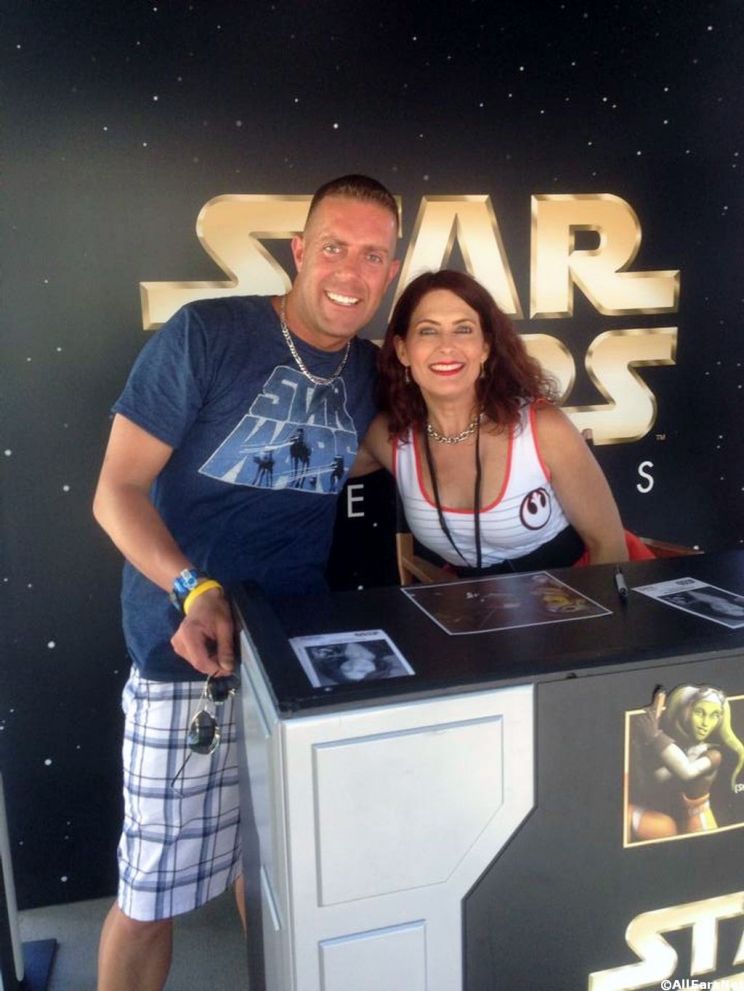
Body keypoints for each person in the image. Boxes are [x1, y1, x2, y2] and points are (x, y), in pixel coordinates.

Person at [92, 174, 400, 991]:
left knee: (275, 876)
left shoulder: (369, 370)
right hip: (184, 657)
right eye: (334, 247)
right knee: (150, 892)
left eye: (372, 255)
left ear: (391, 269)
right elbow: (116, 490)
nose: (351, 271)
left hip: (292, 657)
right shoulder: (209, 334)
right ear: (299, 251)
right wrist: (194, 588)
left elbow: (407, 451)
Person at [352, 269, 628, 574]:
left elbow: (609, 546)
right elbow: (322, 472)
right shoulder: (391, 437)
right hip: (469, 602)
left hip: (575, 591)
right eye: (428, 331)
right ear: (403, 350)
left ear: (485, 347)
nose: (446, 346)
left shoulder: (544, 429)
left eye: (464, 329)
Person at [629, 685, 744, 840]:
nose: (705, 723)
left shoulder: (714, 754)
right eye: (699, 712)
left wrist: (656, 737)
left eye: (714, 716)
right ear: (686, 711)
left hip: (699, 822)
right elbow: (660, 776)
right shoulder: (685, 750)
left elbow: (686, 772)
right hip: (678, 819)